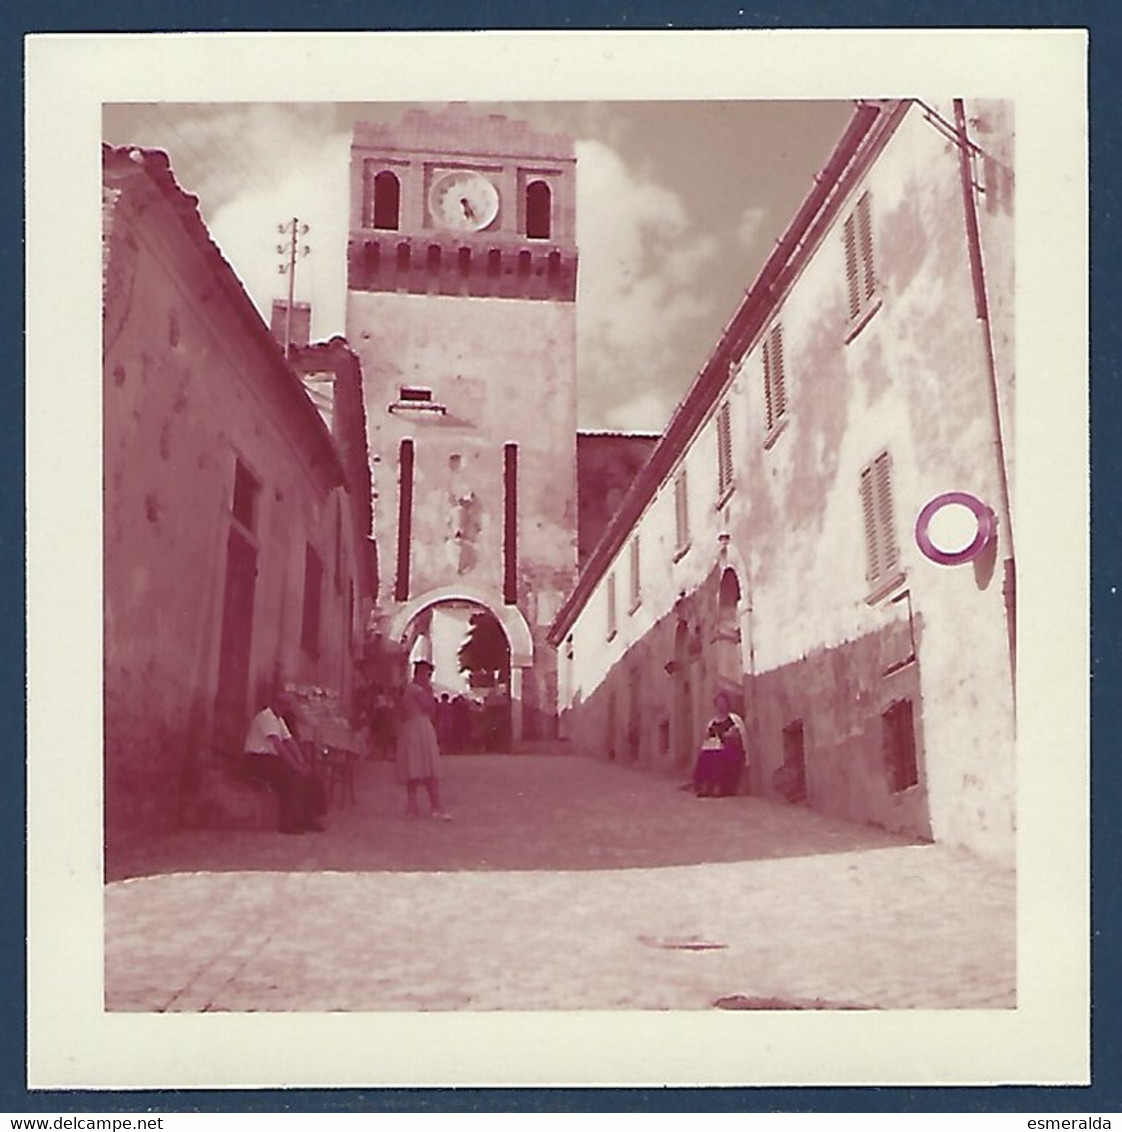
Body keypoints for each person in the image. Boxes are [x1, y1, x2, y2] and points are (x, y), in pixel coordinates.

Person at [243, 691, 327, 834]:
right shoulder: (266, 717)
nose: (284, 707)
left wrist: (302, 762)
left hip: (270, 759)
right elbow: (279, 745)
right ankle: (287, 822)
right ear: (275, 702)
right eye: (282, 703)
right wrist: (295, 766)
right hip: (257, 759)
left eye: (287, 705)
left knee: (311, 777)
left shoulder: (279, 719)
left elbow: (289, 741)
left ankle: (308, 817)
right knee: (290, 777)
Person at [396, 660, 451, 820]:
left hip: (412, 728)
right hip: (420, 728)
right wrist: (429, 693)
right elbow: (430, 708)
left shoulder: (408, 689)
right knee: (427, 767)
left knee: (415, 766)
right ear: (419, 673)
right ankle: (435, 807)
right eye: (427, 674)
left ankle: (412, 807)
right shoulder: (418, 690)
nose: (428, 678)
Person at [690, 692, 749, 798]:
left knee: (720, 755)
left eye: (723, 703)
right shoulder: (712, 722)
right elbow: (708, 737)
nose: (721, 705)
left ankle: (719, 786)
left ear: (728, 704)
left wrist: (730, 736)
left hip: (732, 751)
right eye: (718, 703)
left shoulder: (734, 719)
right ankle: (704, 785)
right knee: (705, 755)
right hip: (716, 748)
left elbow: (741, 738)